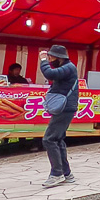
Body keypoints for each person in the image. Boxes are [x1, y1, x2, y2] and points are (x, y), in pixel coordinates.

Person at [39, 45, 79, 188]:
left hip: (65, 108)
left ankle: (57, 173)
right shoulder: (68, 67)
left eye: (51, 57)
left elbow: (49, 74)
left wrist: (43, 60)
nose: (49, 59)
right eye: (48, 57)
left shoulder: (69, 67)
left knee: (49, 139)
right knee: (58, 139)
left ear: (59, 57)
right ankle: (67, 173)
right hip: (65, 107)